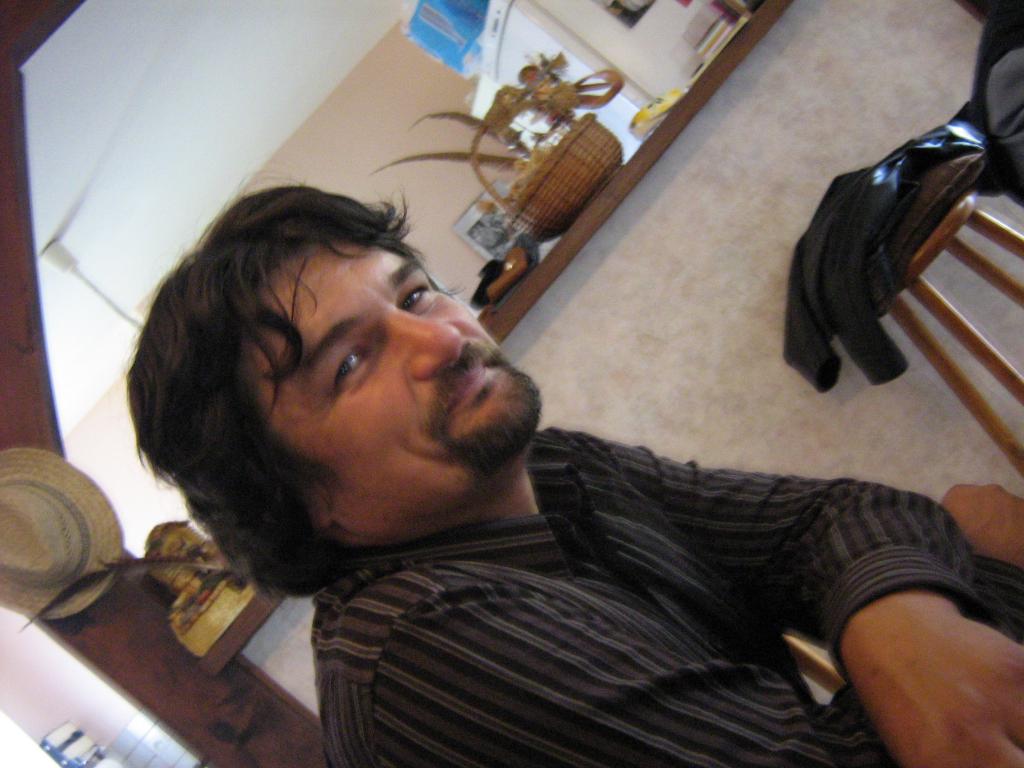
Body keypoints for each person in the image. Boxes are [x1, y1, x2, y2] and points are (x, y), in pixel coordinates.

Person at [128, 185, 1024, 768]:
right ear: (295, 501)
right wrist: (973, 569)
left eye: (414, 295)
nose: (443, 339)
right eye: (351, 363)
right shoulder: (416, 653)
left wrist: (899, 620)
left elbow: (820, 522)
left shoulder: (554, 468)